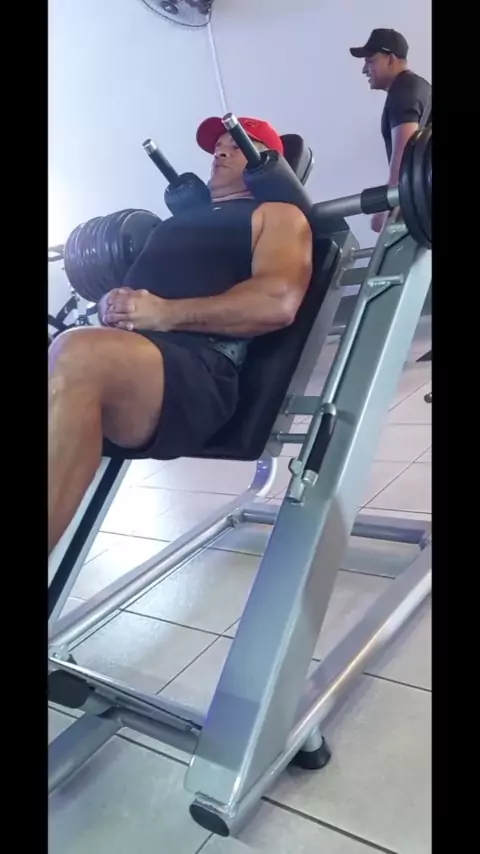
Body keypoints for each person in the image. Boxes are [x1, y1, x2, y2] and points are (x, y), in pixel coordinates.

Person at [48, 116, 313, 553]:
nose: (220, 152)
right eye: (217, 146)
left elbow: (277, 301)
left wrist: (164, 313)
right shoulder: (170, 225)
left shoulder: (277, 215)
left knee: (78, 354)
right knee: (74, 352)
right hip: (129, 358)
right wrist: (110, 301)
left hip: (198, 376)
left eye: (236, 145)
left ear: (264, 161)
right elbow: (131, 295)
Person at [350, 28, 431, 233]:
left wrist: (389, 206)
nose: (364, 69)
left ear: (391, 59)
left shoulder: (402, 91)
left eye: (370, 61)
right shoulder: (420, 87)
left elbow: (405, 156)